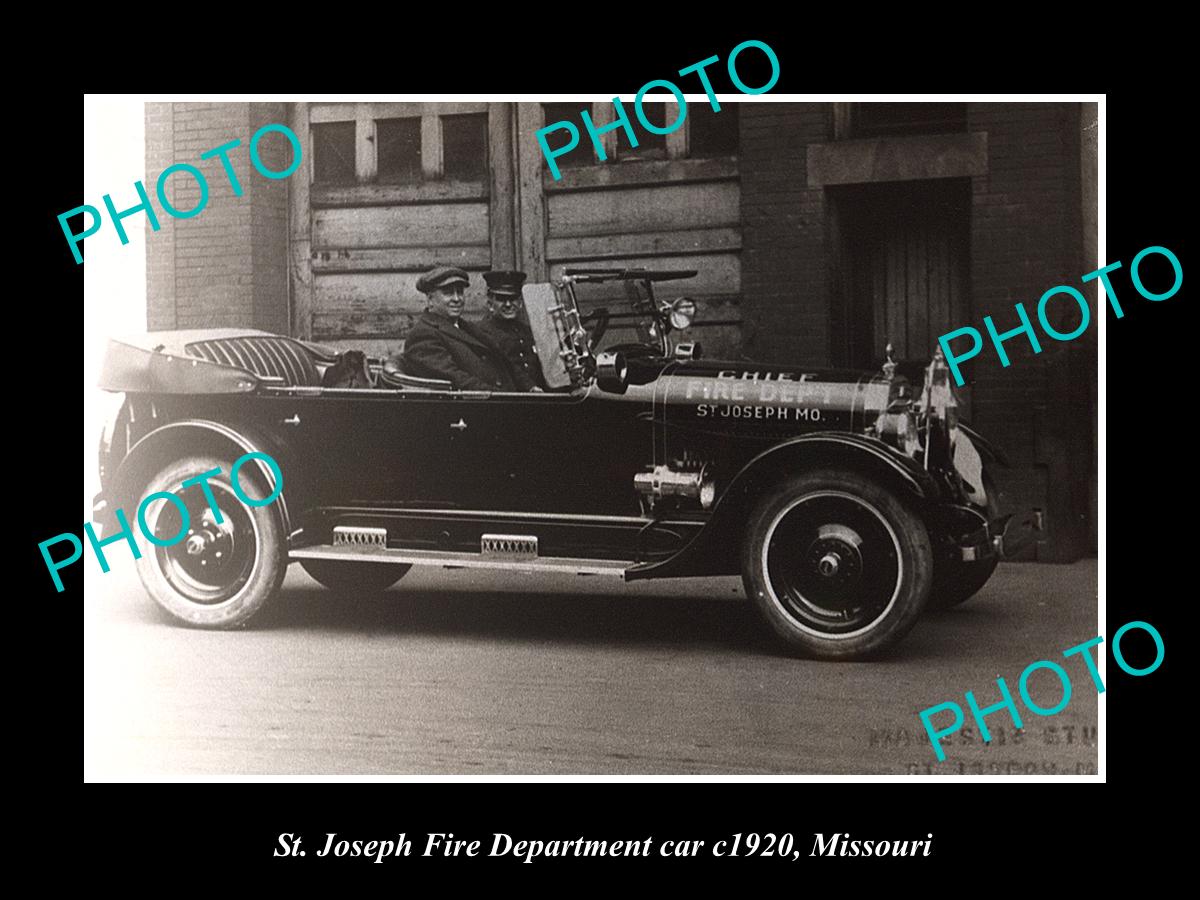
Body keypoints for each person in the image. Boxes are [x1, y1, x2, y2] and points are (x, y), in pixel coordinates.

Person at [391, 266, 517, 391]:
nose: (457, 299)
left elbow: (503, 361)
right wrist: (504, 397)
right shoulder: (423, 335)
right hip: (481, 401)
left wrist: (525, 389)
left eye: (460, 292)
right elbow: (457, 379)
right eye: (448, 293)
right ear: (430, 299)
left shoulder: (465, 327)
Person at [476, 270, 545, 392]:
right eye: (501, 299)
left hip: (537, 396)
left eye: (513, 298)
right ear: (490, 303)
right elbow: (505, 366)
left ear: (520, 302)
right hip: (506, 398)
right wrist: (530, 387)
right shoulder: (482, 332)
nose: (508, 304)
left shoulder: (528, 332)